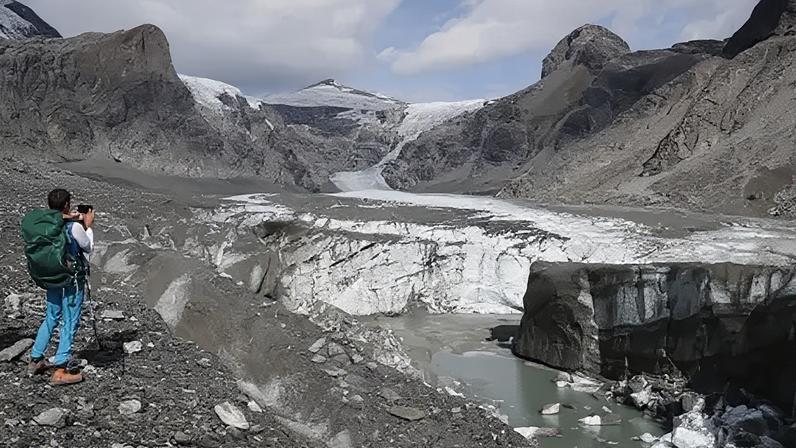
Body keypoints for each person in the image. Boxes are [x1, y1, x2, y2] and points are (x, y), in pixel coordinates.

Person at [28, 189, 94, 385]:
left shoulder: (49, 225)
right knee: (71, 320)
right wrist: (88, 227)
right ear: (66, 204)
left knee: (51, 316)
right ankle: (60, 368)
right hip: (71, 279)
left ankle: (36, 359)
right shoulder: (74, 227)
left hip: (53, 276)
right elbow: (88, 248)